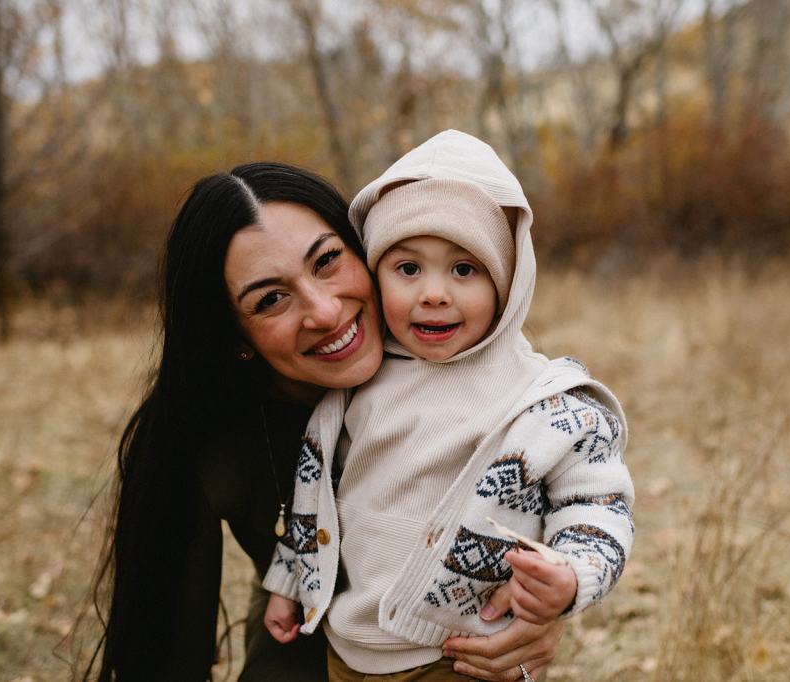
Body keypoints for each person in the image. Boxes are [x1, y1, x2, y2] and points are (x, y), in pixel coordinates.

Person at [87, 161, 571, 681]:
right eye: (271, 299)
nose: (324, 311)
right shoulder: (204, 441)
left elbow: (561, 512)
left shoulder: (453, 357)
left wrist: (546, 613)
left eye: (327, 261)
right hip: (304, 637)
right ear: (234, 338)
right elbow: (166, 661)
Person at [261, 131, 635, 681]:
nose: (434, 294)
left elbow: (599, 506)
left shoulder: (543, 401)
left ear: (507, 283)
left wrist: (573, 575)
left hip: (465, 658)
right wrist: (289, 581)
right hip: (349, 652)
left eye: (464, 270)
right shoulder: (357, 385)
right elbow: (317, 494)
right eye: (408, 269)